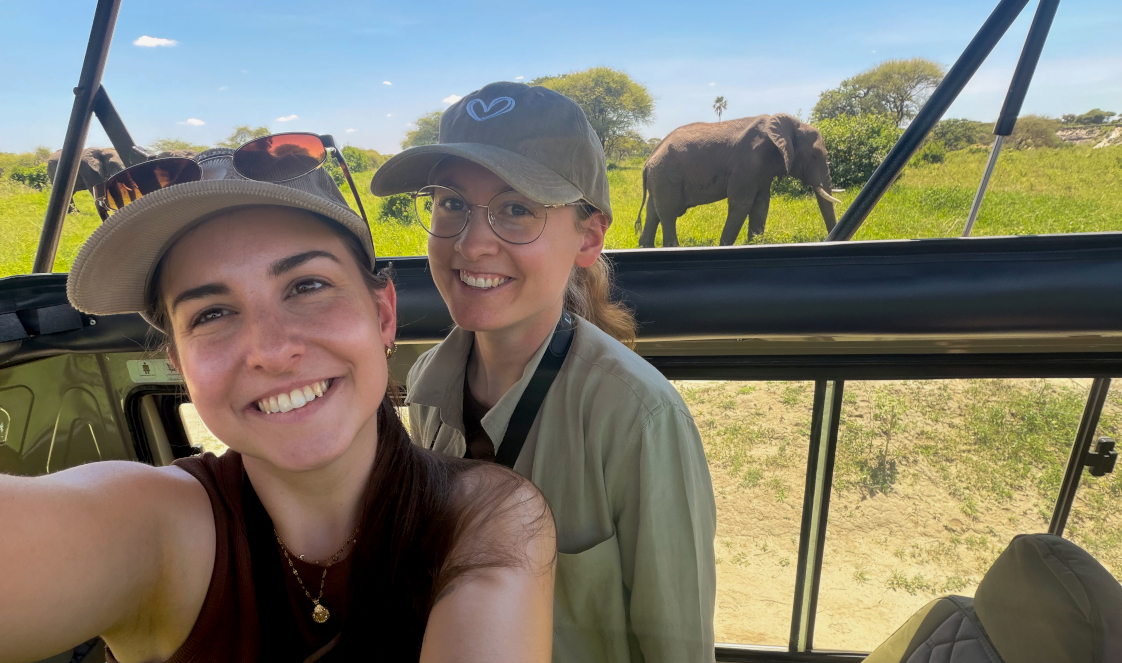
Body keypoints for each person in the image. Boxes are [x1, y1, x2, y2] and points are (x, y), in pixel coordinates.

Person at [0, 143, 555, 663]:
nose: (270, 350)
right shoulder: (155, 525)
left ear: (382, 314)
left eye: (308, 286)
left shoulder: (486, 513)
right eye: (211, 314)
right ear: (180, 364)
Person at [371, 82, 717, 662]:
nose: (473, 243)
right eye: (451, 202)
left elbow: (678, 650)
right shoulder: (429, 383)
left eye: (516, 209)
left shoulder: (636, 418)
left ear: (589, 236)